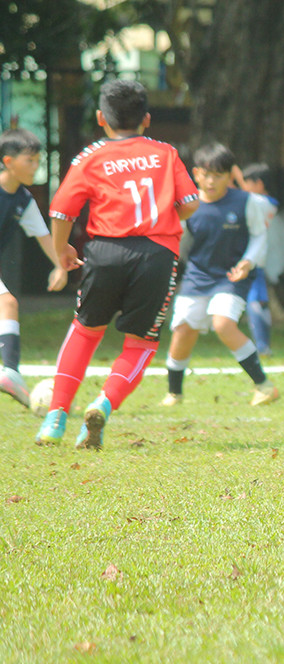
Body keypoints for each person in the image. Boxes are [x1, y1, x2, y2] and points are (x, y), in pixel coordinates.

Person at [35, 79, 200, 448]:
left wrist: (62, 252)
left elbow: (62, 209)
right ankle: (103, 403)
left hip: (105, 252)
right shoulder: (165, 153)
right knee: (141, 343)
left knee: (85, 331)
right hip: (157, 256)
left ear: (100, 118)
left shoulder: (89, 157)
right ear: (146, 118)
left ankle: (55, 418)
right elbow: (190, 204)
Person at [161, 144, 278, 407]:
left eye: (219, 175)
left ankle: (264, 386)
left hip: (232, 276)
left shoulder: (247, 201)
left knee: (223, 324)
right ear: (196, 174)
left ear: (229, 176)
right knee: (182, 329)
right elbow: (178, 243)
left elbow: (260, 235)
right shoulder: (188, 205)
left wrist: (248, 262)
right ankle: (174, 394)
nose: (212, 181)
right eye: (207, 174)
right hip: (197, 275)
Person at [0, 128, 73, 407]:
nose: (35, 166)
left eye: (37, 160)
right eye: (29, 160)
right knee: (7, 303)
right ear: (8, 162)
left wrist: (61, 267)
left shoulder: (23, 199)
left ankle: (11, 373)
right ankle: (11, 373)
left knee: (7, 304)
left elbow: (46, 238)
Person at [236, 162, 277, 356]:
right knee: (258, 299)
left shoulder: (261, 202)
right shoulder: (268, 203)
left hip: (253, 259)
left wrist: (235, 174)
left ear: (259, 184)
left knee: (255, 301)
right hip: (256, 257)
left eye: (248, 183)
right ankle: (263, 344)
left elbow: (243, 195)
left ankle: (262, 346)